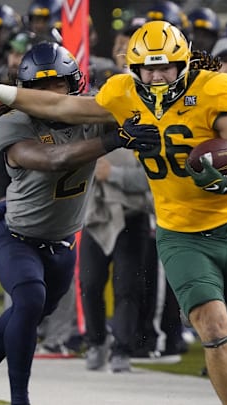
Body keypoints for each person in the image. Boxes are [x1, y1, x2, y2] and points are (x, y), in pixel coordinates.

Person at [0, 20, 227, 405]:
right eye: (148, 68)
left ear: (182, 65)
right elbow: (58, 115)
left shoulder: (210, 94)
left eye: (165, 67)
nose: (155, 76)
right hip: (177, 231)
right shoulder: (121, 100)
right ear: (133, 69)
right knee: (212, 328)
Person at [0, 41, 159, 405]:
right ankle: (20, 399)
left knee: (24, 315)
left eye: (58, 86)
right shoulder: (12, 121)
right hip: (16, 237)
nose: (49, 96)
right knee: (29, 300)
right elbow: (53, 158)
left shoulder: (92, 111)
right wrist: (115, 139)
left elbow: (145, 99)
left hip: (63, 244)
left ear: (74, 85)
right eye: (40, 88)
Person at [79, 149, 153, 372]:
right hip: (94, 217)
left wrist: (113, 173)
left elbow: (151, 179)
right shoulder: (89, 133)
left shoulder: (141, 135)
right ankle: (96, 342)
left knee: (127, 288)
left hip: (132, 217)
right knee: (89, 284)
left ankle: (121, 349)